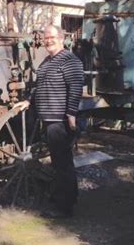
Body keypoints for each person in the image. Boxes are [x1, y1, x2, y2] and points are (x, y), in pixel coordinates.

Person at [16, 25, 83, 218]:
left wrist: (71, 114)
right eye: (45, 38)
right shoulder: (46, 62)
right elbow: (38, 86)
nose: (48, 41)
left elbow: (76, 87)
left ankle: (65, 207)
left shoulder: (70, 60)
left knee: (63, 164)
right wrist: (28, 101)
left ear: (61, 38)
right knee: (58, 162)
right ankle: (66, 197)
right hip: (48, 119)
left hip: (60, 121)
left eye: (52, 37)